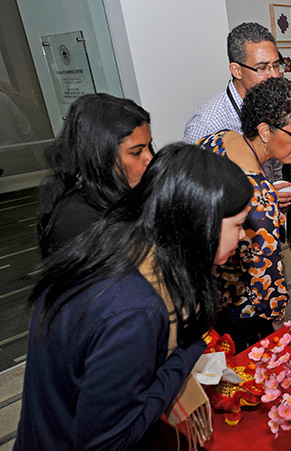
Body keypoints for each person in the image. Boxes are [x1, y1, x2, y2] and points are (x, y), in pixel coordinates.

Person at [15, 143, 253, 449]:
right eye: (237, 224)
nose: (244, 234)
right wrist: (185, 352)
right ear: (199, 222)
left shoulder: (119, 242)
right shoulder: (136, 310)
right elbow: (109, 441)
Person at [184, 22, 291, 293]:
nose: (275, 76)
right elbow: (194, 206)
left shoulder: (277, 107)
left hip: (263, 246)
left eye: (278, 65)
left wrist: (271, 195)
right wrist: (258, 195)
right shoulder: (208, 124)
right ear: (236, 70)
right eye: (263, 68)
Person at [197, 77, 291, 351]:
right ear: (264, 131)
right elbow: (266, 279)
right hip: (241, 315)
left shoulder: (218, 140)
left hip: (204, 298)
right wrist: (277, 323)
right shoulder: (260, 198)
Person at [37, 93, 153, 258]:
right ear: (101, 157)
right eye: (136, 152)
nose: (150, 159)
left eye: (149, 147)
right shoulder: (76, 222)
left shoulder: (124, 194)